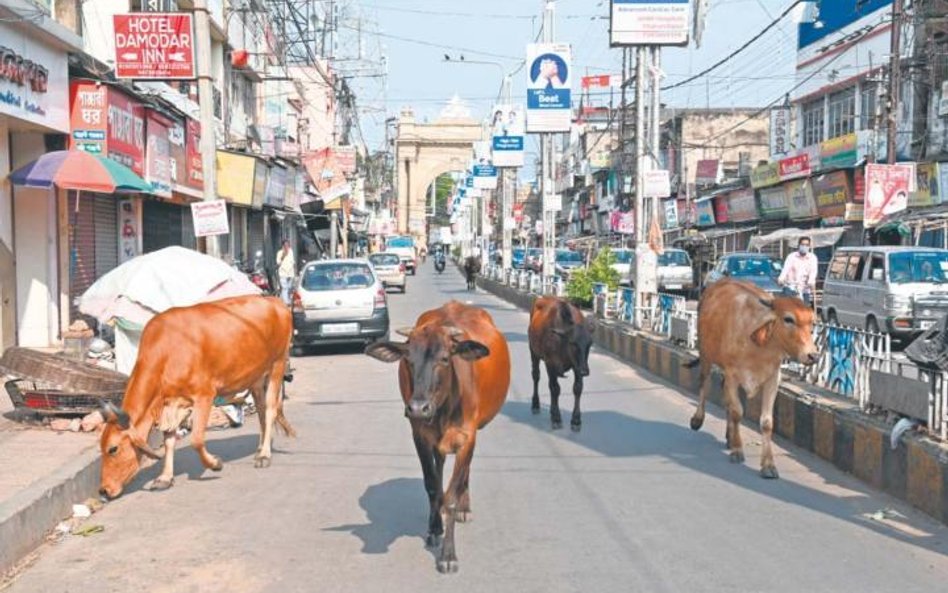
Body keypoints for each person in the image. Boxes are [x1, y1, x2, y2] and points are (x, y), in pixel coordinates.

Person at [778, 236, 819, 306]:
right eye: (802, 245)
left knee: (805, 312)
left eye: (807, 245)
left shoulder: (812, 258)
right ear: (798, 245)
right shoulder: (791, 257)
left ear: (809, 246)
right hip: (791, 288)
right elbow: (785, 269)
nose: (804, 247)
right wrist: (781, 278)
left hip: (804, 289)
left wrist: (811, 281)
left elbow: (813, 272)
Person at [276, 240, 296, 305]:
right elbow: (278, 262)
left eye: (288, 245)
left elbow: (292, 261)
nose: (287, 247)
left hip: (290, 273)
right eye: (285, 245)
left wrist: (294, 269)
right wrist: (283, 255)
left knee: (289, 287)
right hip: (283, 273)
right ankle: (286, 302)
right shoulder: (279, 253)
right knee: (284, 288)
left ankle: (281, 300)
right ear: (283, 246)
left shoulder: (291, 251)